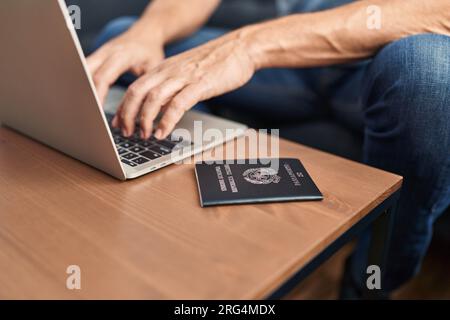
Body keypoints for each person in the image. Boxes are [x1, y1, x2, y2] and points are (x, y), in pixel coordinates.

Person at [87, 0, 450, 298]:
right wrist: (146, 33)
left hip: (397, 53)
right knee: (121, 38)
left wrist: (245, 47)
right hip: (298, 50)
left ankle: (368, 284)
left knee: (428, 73)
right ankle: (186, 254)